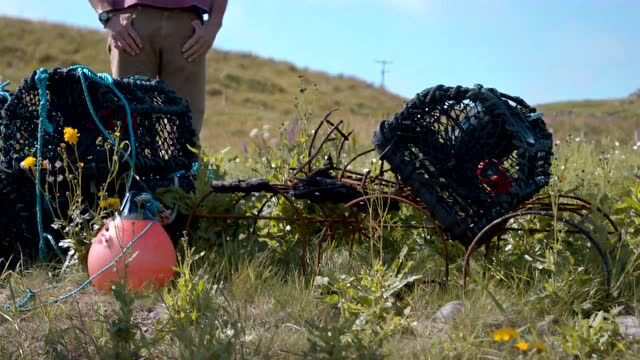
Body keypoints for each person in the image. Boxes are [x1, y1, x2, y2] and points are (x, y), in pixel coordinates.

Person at [88, 0, 228, 145]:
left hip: (188, 25)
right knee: (130, 131)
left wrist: (215, 23)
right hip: (131, 25)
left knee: (185, 137)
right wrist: (106, 15)